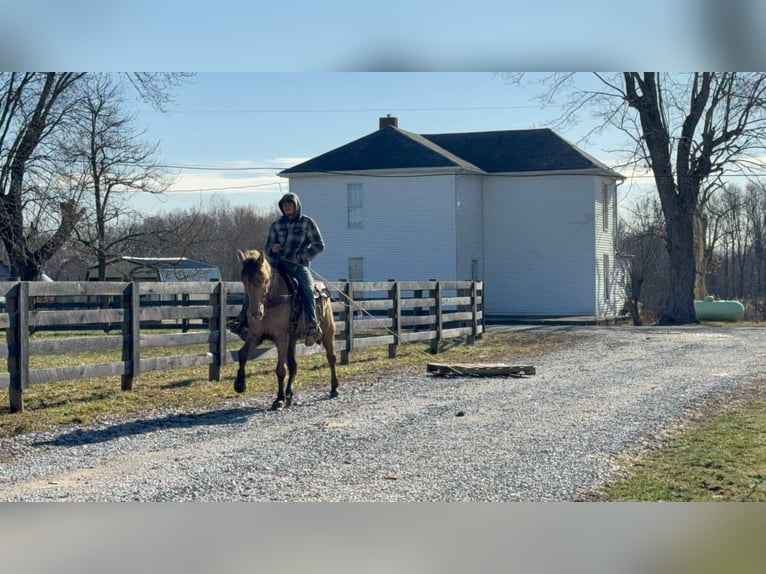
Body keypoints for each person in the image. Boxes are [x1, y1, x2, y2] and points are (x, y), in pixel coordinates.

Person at [232, 192, 325, 346]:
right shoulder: (276, 225)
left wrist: (302, 255)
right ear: (282, 207)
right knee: (255, 285)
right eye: (284, 205)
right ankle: (242, 321)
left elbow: (319, 245)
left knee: (308, 288)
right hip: (277, 265)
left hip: (298, 266)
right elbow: (267, 247)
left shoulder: (307, 223)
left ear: (296, 206)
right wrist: (272, 248)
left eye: (290, 204)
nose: (287, 207)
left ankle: (312, 326)